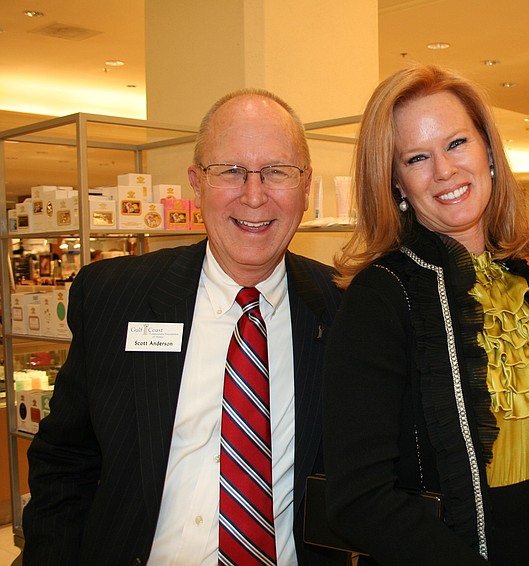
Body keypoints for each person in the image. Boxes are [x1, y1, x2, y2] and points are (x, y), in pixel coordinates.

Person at [23, 88, 345, 565]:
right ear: (196, 182)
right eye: (230, 170)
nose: (254, 195)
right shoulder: (114, 297)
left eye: (277, 171)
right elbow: (65, 464)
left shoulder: (344, 310)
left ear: (306, 185)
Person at [320, 64, 529, 566]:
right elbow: (358, 499)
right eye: (417, 157)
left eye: (456, 143)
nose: (444, 171)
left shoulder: (526, 282)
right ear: (395, 182)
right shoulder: (381, 295)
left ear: (487, 150)